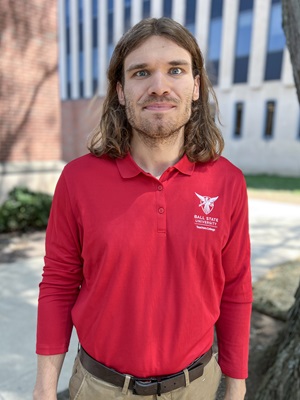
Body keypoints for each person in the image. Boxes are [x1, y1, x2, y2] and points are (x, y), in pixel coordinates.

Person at [34, 17, 252, 400]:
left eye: (176, 70)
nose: (159, 86)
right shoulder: (77, 179)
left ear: (196, 85)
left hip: (196, 387)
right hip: (99, 388)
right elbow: (58, 283)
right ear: (120, 91)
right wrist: (44, 387)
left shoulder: (227, 181)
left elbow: (235, 289)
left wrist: (236, 386)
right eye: (141, 72)